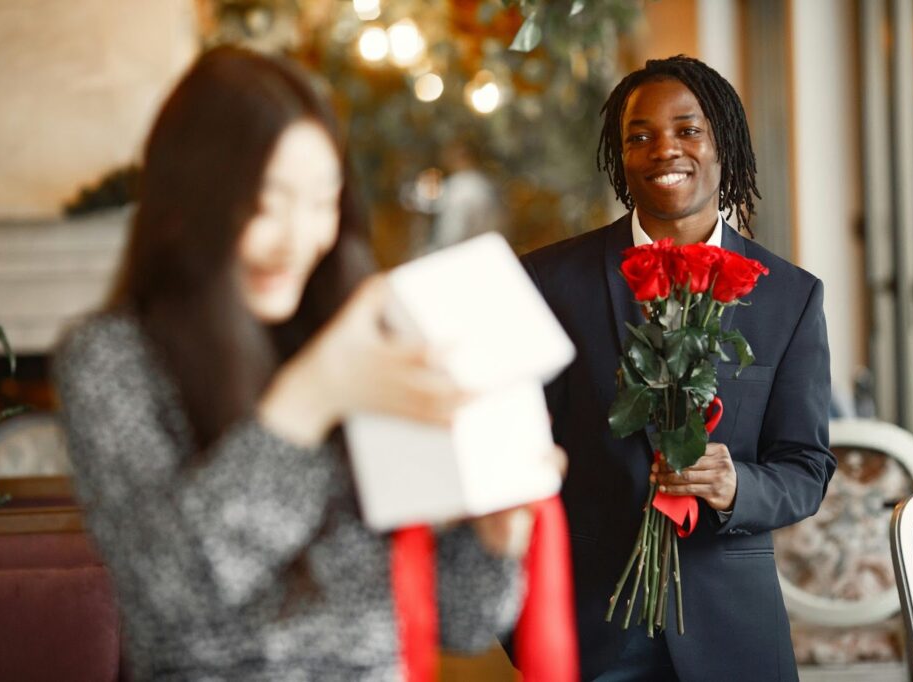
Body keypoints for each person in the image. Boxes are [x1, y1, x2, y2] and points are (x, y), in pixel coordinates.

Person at [54, 46, 546, 681]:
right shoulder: (111, 358)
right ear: (188, 198)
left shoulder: (352, 328)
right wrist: (310, 399)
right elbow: (169, 599)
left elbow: (461, 621)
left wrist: (495, 539)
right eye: (264, 204)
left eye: (322, 202)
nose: (298, 238)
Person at [520, 55, 835, 681]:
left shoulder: (789, 297)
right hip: (592, 632)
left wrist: (736, 486)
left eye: (688, 130)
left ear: (726, 146)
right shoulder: (549, 281)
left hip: (735, 636)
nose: (665, 149)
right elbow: (519, 454)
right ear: (620, 157)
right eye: (640, 136)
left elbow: (806, 466)